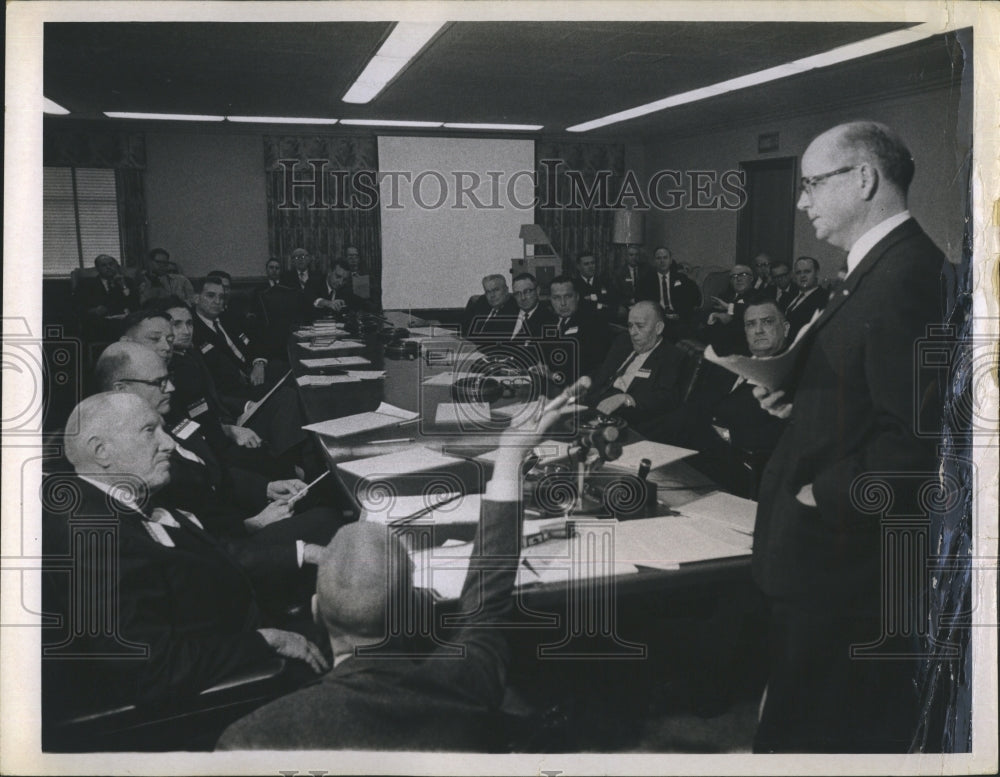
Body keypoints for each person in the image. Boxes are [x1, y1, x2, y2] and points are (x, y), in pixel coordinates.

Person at [216, 397, 572, 750]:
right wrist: (510, 456)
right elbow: (487, 600)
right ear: (415, 609)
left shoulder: (250, 741)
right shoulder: (466, 683)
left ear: (315, 611)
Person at [751, 121, 945, 753]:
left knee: (816, 738)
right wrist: (801, 405)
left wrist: (820, 494)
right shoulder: (877, 270)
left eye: (810, 184)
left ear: (863, 179)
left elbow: (913, 445)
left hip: (844, 569)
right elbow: (869, 396)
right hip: (824, 566)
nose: (802, 202)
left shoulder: (906, 278)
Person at [42, 392, 329, 716]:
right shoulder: (93, 536)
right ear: (101, 451)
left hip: (242, 625)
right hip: (244, 677)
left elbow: (207, 562)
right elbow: (151, 669)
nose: (167, 444)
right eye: (150, 431)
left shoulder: (119, 499)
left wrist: (305, 558)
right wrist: (268, 641)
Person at [670, 296, 791, 495]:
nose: (758, 330)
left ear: (785, 328)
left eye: (767, 322)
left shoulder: (793, 378)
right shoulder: (729, 364)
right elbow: (692, 409)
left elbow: (779, 443)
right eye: (751, 324)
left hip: (737, 481)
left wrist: (723, 434)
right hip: (687, 463)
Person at [584, 300, 685, 436]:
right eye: (630, 325)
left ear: (658, 328)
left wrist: (626, 398)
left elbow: (666, 397)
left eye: (640, 326)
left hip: (628, 417)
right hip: (594, 404)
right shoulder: (622, 341)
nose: (633, 332)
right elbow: (603, 371)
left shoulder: (671, 356)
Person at [542, 274, 612, 385]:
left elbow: (591, 368)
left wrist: (553, 375)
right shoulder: (549, 322)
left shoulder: (593, 323)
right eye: (556, 298)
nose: (563, 303)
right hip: (550, 385)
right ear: (550, 299)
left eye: (568, 296)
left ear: (577, 297)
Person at [638, 246, 702, 339]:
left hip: (678, 317)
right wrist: (662, 315)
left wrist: (680, 314)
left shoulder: (681, 278)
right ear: (654, 261)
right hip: (658, 318)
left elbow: (694, 297)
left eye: (665, 258)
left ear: (670, 260)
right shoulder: (646, 280)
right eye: (659, 258)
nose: (662, 261)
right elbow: (643, 302)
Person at [75, 254, 139, 342]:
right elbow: (79, 306)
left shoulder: (127, 281)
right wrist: (93, 310)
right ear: (97, 269)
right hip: (101, 321)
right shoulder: (87, 284)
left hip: (125, 319)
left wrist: (123, 286)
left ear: (116, 266)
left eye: (111, 264)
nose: (108, 267)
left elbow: (135, 304)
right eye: (104, 265)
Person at [705, 263, 755, 355]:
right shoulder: (724, 295)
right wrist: (716, 315)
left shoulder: (759, 296)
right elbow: (708, 312)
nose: (738, 279)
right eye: (734, 276)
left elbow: (752, 311)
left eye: (743, 275)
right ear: (730, 281)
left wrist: (729, 308)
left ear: (751, 278)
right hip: (717, 341)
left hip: (740, 346)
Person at [783, 255, 830, 339]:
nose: (802, 276)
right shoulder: (789, 296)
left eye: (807, 271)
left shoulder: (824, 298)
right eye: (798, 272)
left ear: (816, 273)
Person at [507, 272, 557, 345]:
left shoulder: (549, 318)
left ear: (537, 291)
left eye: (527, 291)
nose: (523, 298)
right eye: (517, 294)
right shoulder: (507, 314)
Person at [462, 273, 519, 338]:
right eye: (488, 292)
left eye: (496, 290)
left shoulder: (513, 310)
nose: (492, 295)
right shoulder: (482, 302)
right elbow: (464, 327)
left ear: (506, 290)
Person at [611, 244, 652, 317]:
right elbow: (615, 294)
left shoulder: (646, 270)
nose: (634, 257)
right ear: (626, 257)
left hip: (643, 303)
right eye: (631, 255)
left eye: (636, 255)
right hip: (626, 304)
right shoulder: (619, 273)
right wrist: (627, 302)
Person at [574, 252, 617, 319]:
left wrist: (592, 297)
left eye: (592, 263)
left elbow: (612, 299)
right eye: (586, 264)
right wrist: (601, 303)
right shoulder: (574, 285)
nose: (591, 266)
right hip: (582, 321)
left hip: (603, 320)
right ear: (578, 266)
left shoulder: (605, 282)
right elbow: (579, 305)